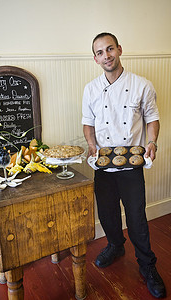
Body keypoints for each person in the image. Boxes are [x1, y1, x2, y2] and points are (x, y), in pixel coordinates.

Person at [82, 32, 166, 298]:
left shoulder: (142, 85)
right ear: (95, 58)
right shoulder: (91, 89)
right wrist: (92, 144)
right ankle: (116, 245)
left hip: (131, 163)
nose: (106, 55)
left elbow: (152, 118)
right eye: (99, 52)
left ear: (119, 49)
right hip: (103, 163)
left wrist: (152, 142)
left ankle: (147, 265)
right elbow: (88, 123)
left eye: (109, 49)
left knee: (137, 217)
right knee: (106, 213)